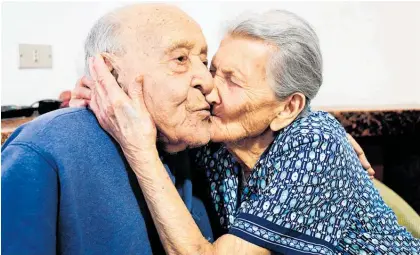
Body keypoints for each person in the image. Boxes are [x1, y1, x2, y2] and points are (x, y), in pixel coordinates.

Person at [71, 9, 420, 255]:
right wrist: (103, 90)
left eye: (232, 81)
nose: (208, 85)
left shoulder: (313, 143)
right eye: (213, 69)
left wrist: (140, 149)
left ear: (287, 109)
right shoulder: (220, 140)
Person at [1, 4, 215, 255]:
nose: (208, 81)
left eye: (204, 62)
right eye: (180, 59)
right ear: (109, 72)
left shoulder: (196, 142)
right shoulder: (42, 149)